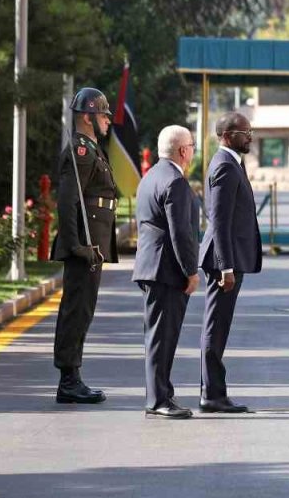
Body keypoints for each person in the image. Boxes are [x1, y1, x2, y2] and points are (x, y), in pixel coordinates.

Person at [51, 87, 119, 405]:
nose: (108, 120)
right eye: (103, 115)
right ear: (88, 117)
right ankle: (68, 380)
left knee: (83, 310)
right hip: (84, 245)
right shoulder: (81, 151)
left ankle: (73, 377)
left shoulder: (92, 149)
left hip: (93, 245)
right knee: (76, 311)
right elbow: (67, 202)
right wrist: (76, 245)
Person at [132, 125, 200, 419]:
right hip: (166, 270)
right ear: (183, 150)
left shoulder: (150, 177)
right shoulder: (175, 182)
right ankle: (158, 399)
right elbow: (180, 233)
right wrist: (191, 271)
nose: (193, 151)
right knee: (162, 338)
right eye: (192, 146)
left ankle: (161, 393)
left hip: (151, 267)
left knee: (158, 336)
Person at [197, 112, 262, 413]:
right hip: (224, 262)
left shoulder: (233, 162)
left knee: (219, 327)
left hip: (231, 259)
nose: (249, 136)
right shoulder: (224, 165)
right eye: (244, 132)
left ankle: (213, 392)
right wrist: (225, 267)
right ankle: (212, 394)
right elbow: (220, 221)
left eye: (250, 131)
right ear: (226, 135)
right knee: (215, 327)